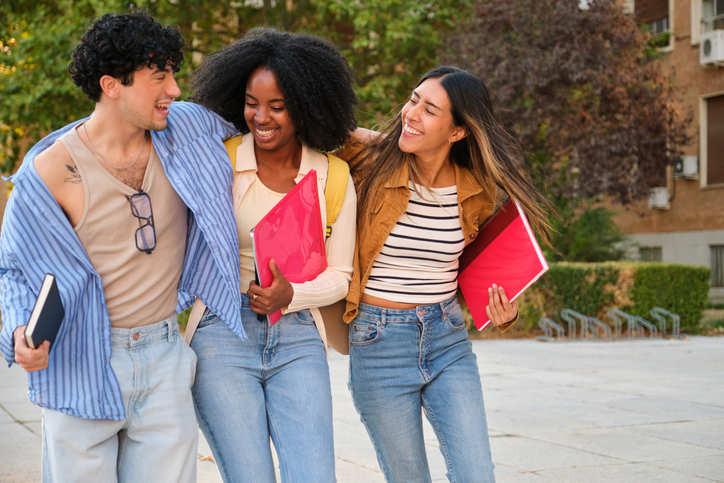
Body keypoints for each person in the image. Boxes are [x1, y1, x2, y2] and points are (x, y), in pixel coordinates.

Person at [0, 12, 244, 482]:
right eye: (160, 76)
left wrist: (381, 145)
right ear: (112, 85)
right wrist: (16, 334)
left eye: (173, 73)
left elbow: (272, 128)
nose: (174, 89)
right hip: (80, 358)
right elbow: (11, 269)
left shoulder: (188, 130)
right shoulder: (50, 171)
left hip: (164, 357)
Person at [343, 66, 554, 482]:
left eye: (430, 110)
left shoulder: (477, 188)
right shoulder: (368, 165)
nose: (411, 113)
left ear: (458, 131)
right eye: (413, 100)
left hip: (447, 340)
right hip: (378, 343)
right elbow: (322, 134)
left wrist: (505, 313)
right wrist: (375, 138)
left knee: (476, 474)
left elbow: (476, 267)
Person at [187, 28, 358, 483]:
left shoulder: (334, 176)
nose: (260, 117)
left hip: (299, 336)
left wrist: (292, 294)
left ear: (305, 106)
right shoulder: (218, 161)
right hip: (222, 332)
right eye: (251, 102)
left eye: (277, 106)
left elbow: (342, 275)